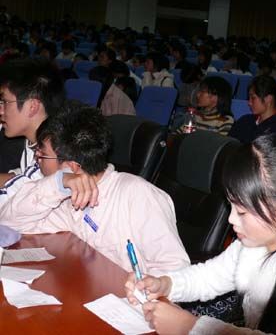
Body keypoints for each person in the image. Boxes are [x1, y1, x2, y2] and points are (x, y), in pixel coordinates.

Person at [124, 134, 276, 335]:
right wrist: (165, 284)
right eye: (231, 206)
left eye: (243, 211)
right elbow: (208, 277)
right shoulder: (256, 244)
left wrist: (190, 326)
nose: (230, 219)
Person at [0, 101, 189, 273]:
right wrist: (58, 184)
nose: (37, 159)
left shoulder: (138, 196)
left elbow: (175, 271)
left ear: (72, 167)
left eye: (42, 154)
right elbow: (12, 223)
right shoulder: (65, 196)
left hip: (131, 303)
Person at [0, 58, 65, 200]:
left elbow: (32, 192)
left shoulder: (56, 155)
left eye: (5, 102)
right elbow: (25, 177)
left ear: (32, 107)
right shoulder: (34, 140)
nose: (1, 110)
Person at [228, 76, 276, 143]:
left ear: (268, 99)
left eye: (253, 98)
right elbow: (228, 143)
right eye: (249, 98)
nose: (249, 103)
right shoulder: (245, 120)